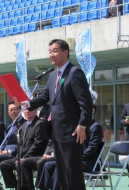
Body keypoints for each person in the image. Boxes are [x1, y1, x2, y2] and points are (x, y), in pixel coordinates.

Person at [14, 39, 93, 190]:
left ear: (65, 52)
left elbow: (86, 103)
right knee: (62, 173)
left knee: (73, 173)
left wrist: (82, 125)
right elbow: (44, 97)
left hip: (72, 133)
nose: (51, 54)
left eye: (55, 51)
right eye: (50, 51)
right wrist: (25, 103)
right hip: (57, 132)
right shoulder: (52, 76)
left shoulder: (74, 72)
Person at [38, 104, 103, 190]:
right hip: (72, 158)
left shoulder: (95, 127)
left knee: (61, 166)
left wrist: (76, 157)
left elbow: (91, 149)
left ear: (92, 111)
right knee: (47, 165)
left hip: (86, 161)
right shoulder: (77, 126)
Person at [0, 107, 48, 190]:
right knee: (4, 164)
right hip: (24, 156)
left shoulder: (40, 123)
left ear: (36, 110)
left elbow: (38, 144)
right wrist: (19, 157)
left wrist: (24, 157)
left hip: (36, 156)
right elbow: (21, 144)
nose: (27, 111)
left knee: (22, 163)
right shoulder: (25, 125)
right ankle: (17, 187)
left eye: (30, 109)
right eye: (25, 109)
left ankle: (29, 188)